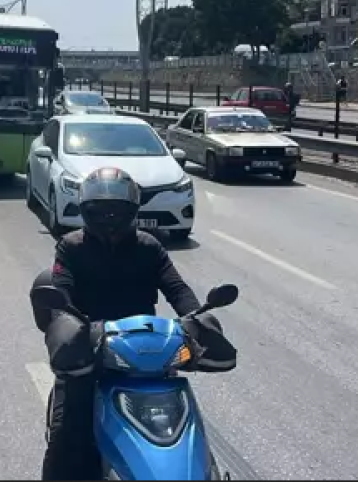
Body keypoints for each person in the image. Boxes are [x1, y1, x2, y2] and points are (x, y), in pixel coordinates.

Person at [38, 167, 232, 481]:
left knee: (188, 429)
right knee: (66, 437)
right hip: (88, 353)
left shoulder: (148, 246)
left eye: (117, 210)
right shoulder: (71, 247)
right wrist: (70, 329)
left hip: (146, 356)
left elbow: (178, 290)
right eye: (99, 210)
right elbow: (61, 294)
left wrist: (198, 319)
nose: (109, 218)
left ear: (132, 210)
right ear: (85, 210)